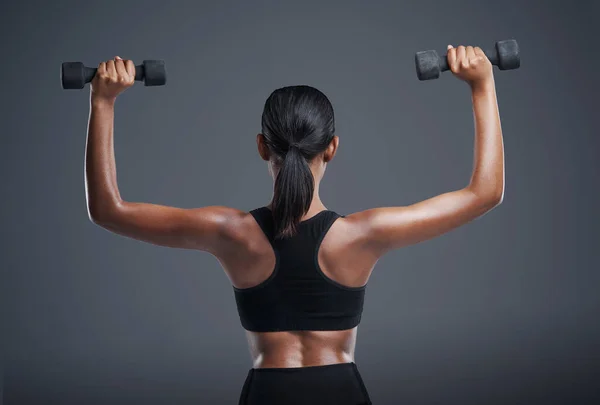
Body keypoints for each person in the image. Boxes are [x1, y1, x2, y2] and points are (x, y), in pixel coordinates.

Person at [85, 44, 504, 405]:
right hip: (341, 391)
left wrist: (103, 102)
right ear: (333, 148)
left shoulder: (230, 233)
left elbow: (109, 211)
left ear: (262, 146)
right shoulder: (363, 235)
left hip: (267, 393)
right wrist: (482, 85)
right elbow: (484, 193)